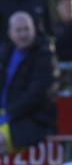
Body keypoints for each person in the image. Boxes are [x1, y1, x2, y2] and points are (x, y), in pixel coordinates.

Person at [0, 12, 58, 155]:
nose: (23, 34)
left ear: (34, 29)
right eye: (18, 30)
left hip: (31, 120)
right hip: (8, 116)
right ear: (10, 33)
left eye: (26, 29)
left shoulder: (44, 55)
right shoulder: (7, 52)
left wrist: (9, 113)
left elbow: (37, 95)